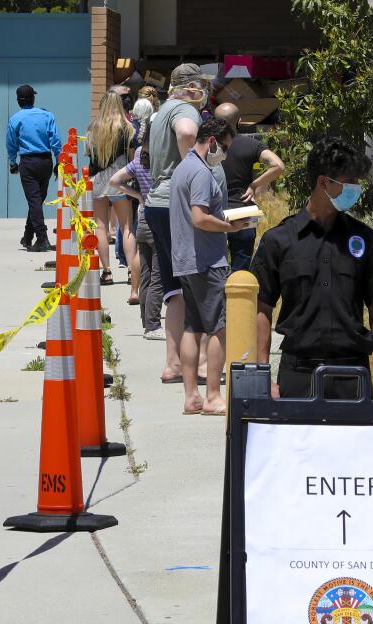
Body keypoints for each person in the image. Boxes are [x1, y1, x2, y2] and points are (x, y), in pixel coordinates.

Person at [250, 137, 373, 400]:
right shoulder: (278, 240)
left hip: (353, 375)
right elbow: (261, 309)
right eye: (350, 183)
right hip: (298, 375)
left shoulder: (364, 240)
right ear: (324, 183)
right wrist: (261, 376)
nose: (355, 189)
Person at [169, 117, 250, 415]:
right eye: (225, 147)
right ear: (213, 141)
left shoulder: (182, 168)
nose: (225, 154)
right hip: (206, 260)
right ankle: (214, 395)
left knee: (193, 327)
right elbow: (200, 218)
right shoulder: (202, 173)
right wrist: (231, 226)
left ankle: (192, 396)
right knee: (219, 327)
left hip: (186, 260)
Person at [143, 63, 211, 384]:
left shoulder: (161, 111)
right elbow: (186, 132)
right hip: (177, 203)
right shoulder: (184, 108)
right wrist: (192, 164)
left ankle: (172, 363)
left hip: (156, 201)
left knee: (175, 290)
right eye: (202, 86)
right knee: (198, 286)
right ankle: (196, 365)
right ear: (192, 87)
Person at [109, 96, 162, 334]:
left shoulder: (140, 154)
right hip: (161, 216)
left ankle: (144, 316)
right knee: (160, 275)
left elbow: (114, 180)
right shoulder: (164, 158)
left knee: (148, 270)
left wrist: (138, 196)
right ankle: (152, 323)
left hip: (144, 213)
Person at [212, 102, 285, 271]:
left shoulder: (206, 146)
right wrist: (254, 185)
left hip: (213, 213)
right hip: (244, 212)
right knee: (241, 269)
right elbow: (278, 166)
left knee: (214, 269)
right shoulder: (251, 145)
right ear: (240, 121)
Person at [85, 91, 135, 286]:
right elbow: (132, 158)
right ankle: (132, 270)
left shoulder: (92, 128)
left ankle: (106, 272)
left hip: (98, 180)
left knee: (101, 227)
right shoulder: (127, 128)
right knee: (127, 227)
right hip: (120, 181)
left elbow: (88, 152)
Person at [5, 84, 61, 252]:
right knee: (37, 200)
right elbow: (56, 141)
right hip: (45, 161)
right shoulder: (47, 115)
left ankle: (42, 239)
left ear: (18, 101)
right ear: (33, 99)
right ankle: (28, 236)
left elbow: (11, 143)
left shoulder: (15, 119)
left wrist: (13, 162)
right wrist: (59, 161)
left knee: (34, 200)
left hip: (28, 163)